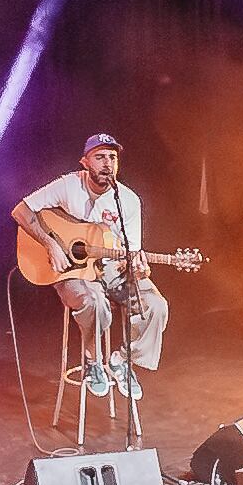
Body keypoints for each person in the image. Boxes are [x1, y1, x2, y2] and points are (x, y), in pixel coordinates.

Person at [15, 131, 169, 393]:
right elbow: (21, 210)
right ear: (85, 163)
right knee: (95, 303)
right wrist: (50, 244)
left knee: (156, 305)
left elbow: (131, 251)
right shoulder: (68, 185)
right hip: (72, 270)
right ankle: (92, 359)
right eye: (100, 157)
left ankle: (122, 360)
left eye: (112, 157)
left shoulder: (128, 201)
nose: (108, 163)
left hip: (110, 266)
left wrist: (138, 267)